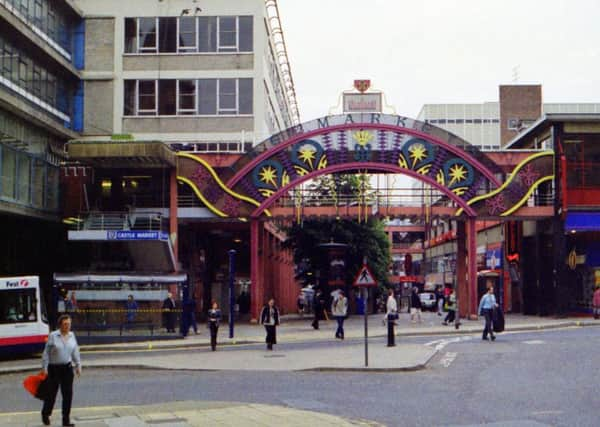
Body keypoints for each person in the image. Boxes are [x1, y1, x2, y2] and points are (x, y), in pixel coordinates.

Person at [41, 314, 81, 427]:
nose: (67, 326)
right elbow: (46, 353)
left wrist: (78, 365)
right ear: (60, 325)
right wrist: (44, 368)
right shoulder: (53, 336)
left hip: (67, 369)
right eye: (65, 324)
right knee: (51, 394)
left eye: (69, 324)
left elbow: (75, 351)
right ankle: (45, 414)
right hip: (54, 369)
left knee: (68, 395)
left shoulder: (72, 335)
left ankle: (66, 420)